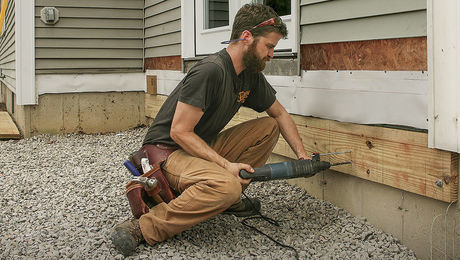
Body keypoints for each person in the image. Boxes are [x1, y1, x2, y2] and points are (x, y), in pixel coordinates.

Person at [111, 3, 309, 256]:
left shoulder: (250, 74)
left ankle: (226, 200)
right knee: (228, 185)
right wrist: (227, 167)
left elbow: (279, 114)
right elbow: (179, 133)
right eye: (269, 46)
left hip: (196, 148)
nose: (272, 54)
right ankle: (144, 226)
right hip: (166, 155)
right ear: (247, 37)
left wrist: (302, 156)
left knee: (269, 127)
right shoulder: (210, 70)